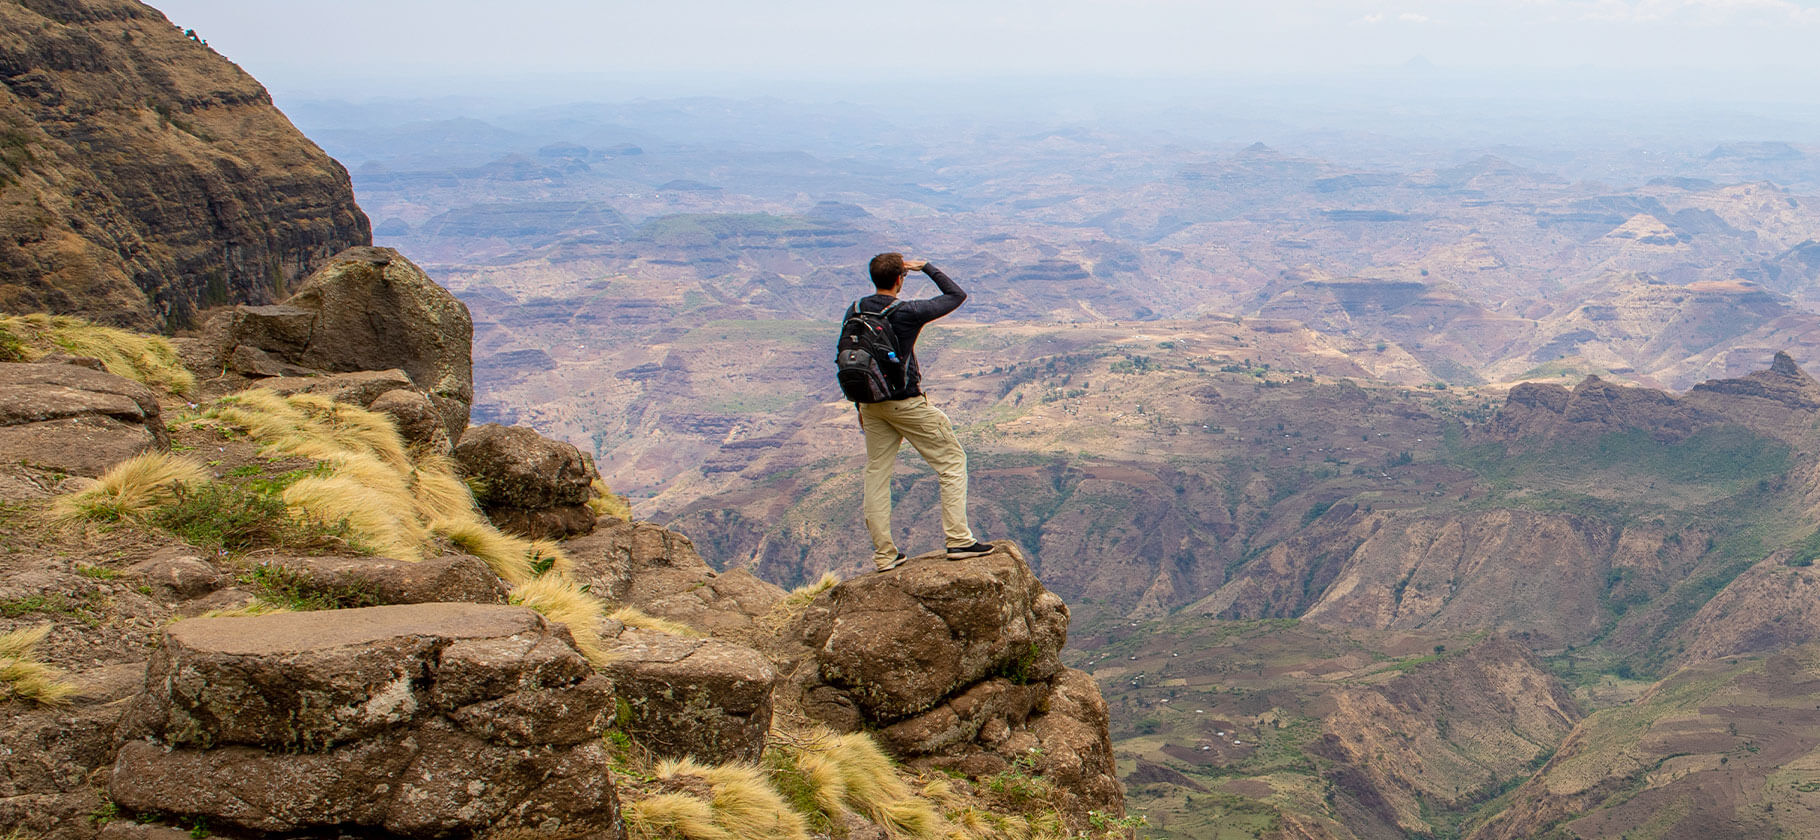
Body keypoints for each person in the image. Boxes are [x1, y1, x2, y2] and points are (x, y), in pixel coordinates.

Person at [850, 252, 992, 572]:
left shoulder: (856, 309)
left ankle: (885, 555)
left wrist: (859, 404)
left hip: (870, 405)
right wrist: (925, 267)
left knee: (877, 474)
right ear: (900, 279)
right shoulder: (906, 312)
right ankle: (958, 540)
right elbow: (956, 295)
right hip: (906, 403)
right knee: (952, 461)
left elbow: (852, 358)